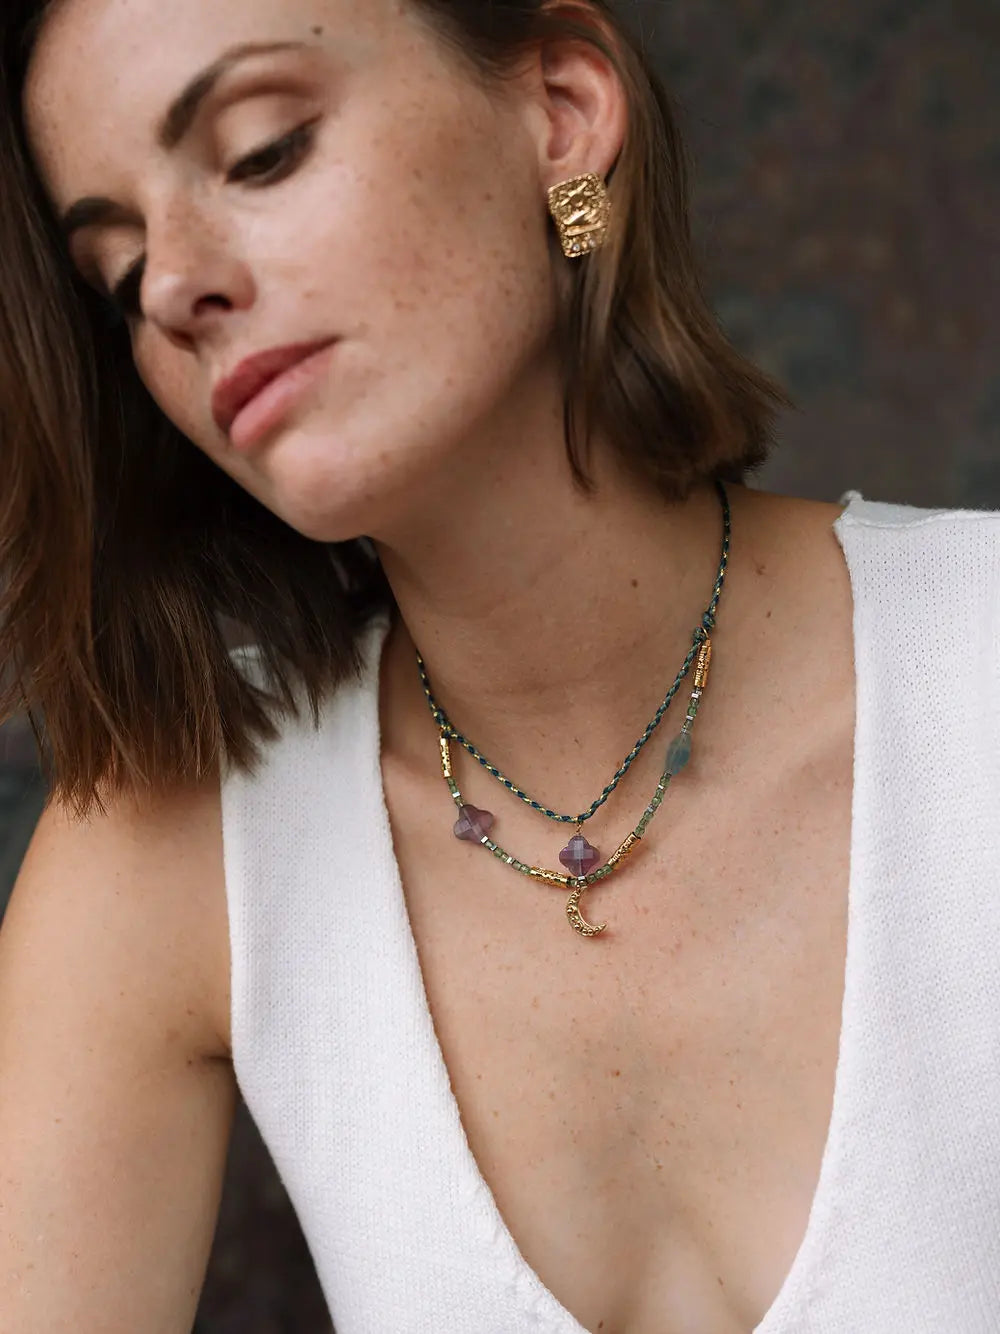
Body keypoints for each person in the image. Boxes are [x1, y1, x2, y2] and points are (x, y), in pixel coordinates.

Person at [0, 2, 998, 1332]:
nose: (176, 285)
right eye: (121, 276)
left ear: (562, 115)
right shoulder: (173, 847)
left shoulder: (972, 668)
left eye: (263, 151)